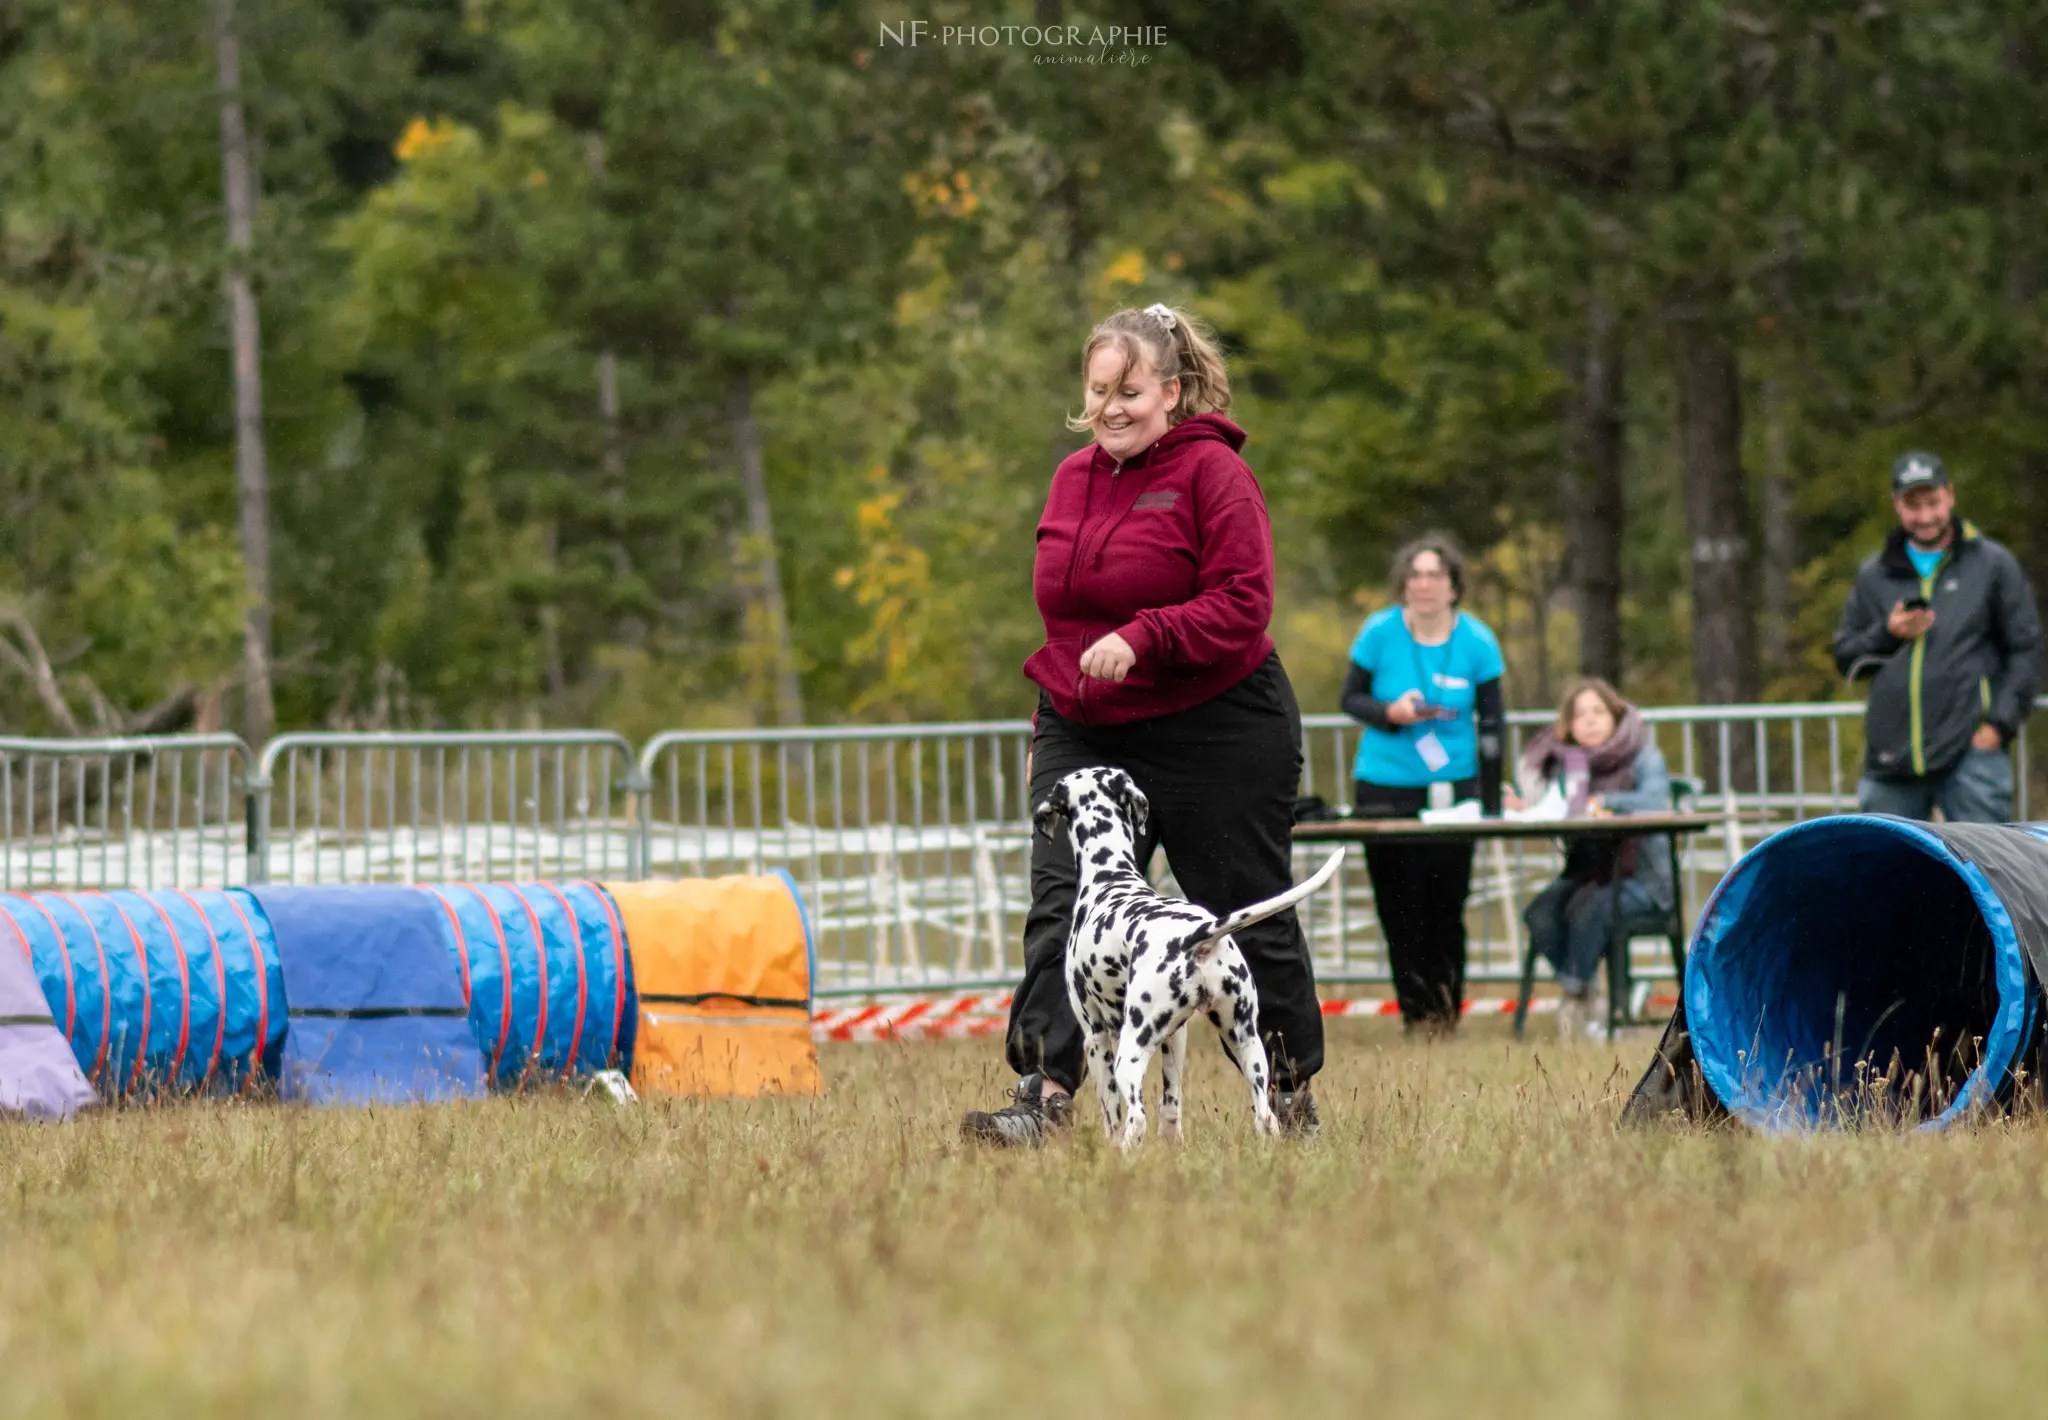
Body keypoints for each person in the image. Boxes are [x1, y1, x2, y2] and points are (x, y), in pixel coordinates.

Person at [960, 302, 1324, 1147]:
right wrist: (1044, 728)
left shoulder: (1214, 476)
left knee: (1240, 915)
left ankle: (1290, 1097)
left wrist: (1147, 634)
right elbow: (1064, 617)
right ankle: (1042, 1097)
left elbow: (1243, 604)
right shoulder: (1071, 478)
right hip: (1087, 729)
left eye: (1129, 391)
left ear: (1173, 390)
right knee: (1064, 909)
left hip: (1218, 727)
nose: (1112, 408)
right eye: (1098, 392)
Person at [1341, 537, 1504, 1035]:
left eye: (1434, 574)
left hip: (1454, 789)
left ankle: (1445, 1012)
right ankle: (1415, 1016)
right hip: (1385, 786)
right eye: (1415, 574)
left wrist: (1492, 801)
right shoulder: (1379, 632)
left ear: (1454, 586)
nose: (1424, 584)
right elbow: (1350, 698)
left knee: (1446, 904)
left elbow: (1494, 724)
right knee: (1398, 905)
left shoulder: (1477, 640)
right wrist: (1389, 714)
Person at [1833, 452, 2041, 822]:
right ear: (1897, 505)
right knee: (1889, 873)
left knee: (1981, 873)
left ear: (1950, 496)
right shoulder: (1875, 573)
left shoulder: (1992, 564)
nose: (1926, 516)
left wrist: (1999, 727)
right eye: (1914, 506)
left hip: (1970, 757)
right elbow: (1846, 656)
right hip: (1890, 762)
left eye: (1933, 502)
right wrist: (1888, 633)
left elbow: (2025, 648)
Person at [1505, 678, 1673, 1040]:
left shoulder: (1643, 752)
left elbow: (1656, 800)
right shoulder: (1566, 763)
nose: (1591, 720)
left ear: (1615, 716)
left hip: (1643, 881)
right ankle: (1582, 989)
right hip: (1587, 872)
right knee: (1540, 912)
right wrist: (1530, 809)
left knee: (1589, 907)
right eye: (1580, 714)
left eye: (1598, 711)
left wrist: (1605, 804)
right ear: (1568, 725)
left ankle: (1577, 997)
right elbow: (1558, 810)